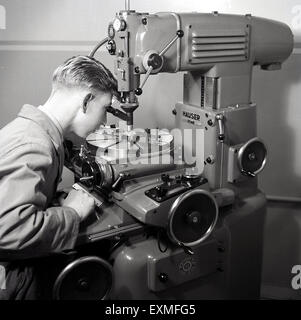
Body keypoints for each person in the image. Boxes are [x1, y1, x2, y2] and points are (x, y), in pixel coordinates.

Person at [0, 55, 119, 300]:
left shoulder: (27, 129)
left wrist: (54, 203)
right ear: (87, 101)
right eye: (105, 109)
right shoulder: (34, 145)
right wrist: (72, 213)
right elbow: (8, 230)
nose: (105, 121)